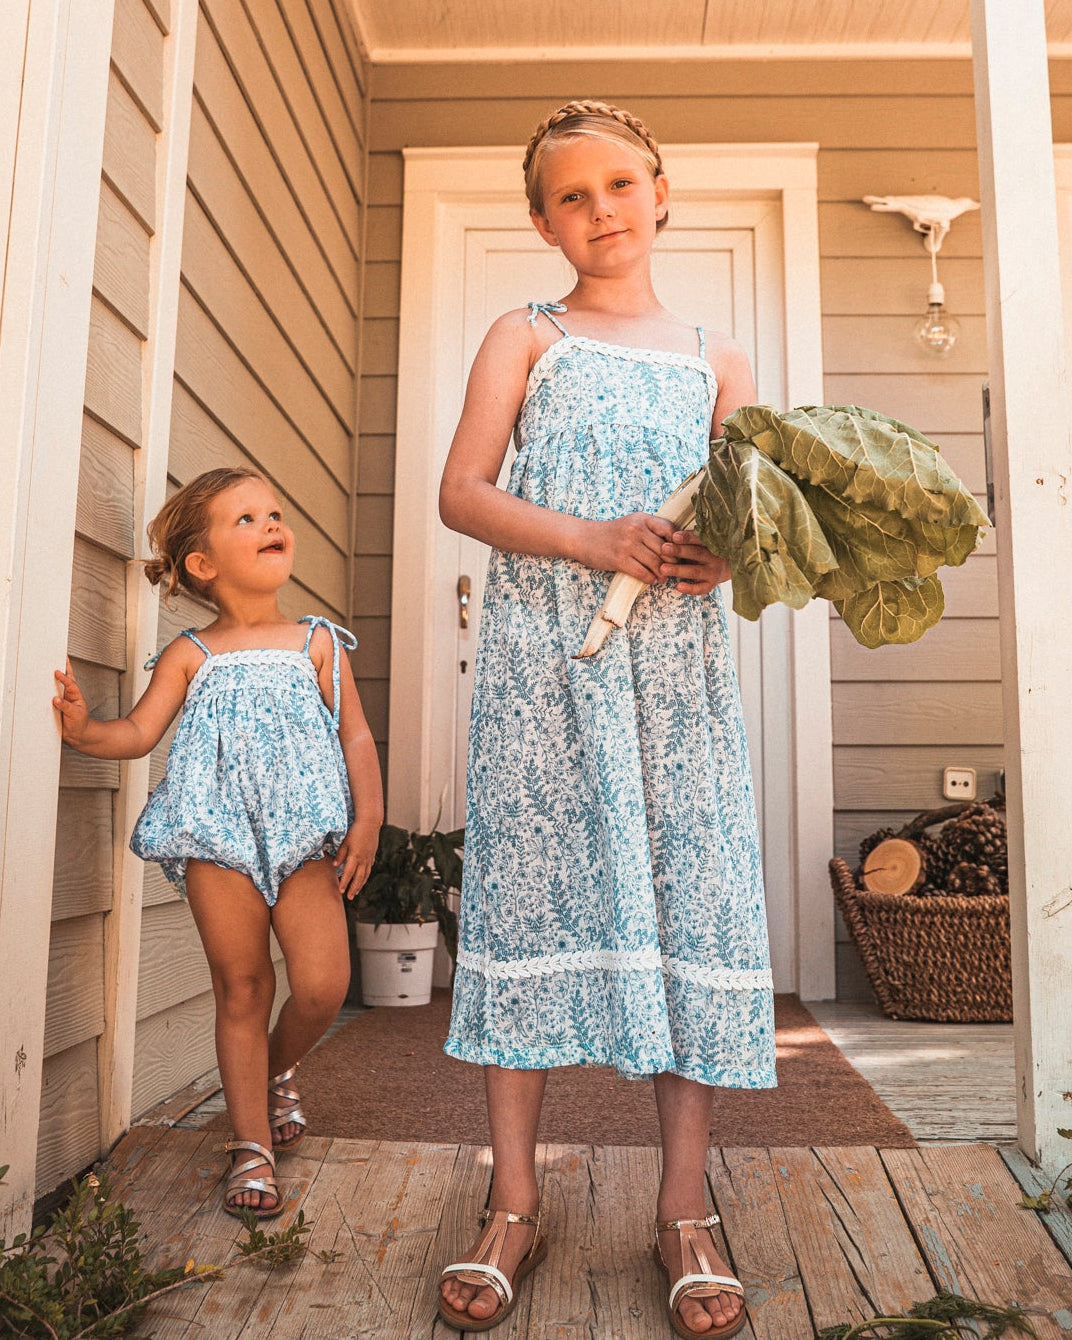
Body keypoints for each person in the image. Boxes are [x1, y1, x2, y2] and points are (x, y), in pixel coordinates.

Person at [436, 101, 776, 1338]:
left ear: (662, 192)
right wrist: (589, 537)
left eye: (620, 184)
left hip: (674, 678)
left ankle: (683, 1203)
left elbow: (748, 520)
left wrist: (721, 561)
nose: (600, 211)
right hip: (545, 666)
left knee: (689, 896)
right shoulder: (525, 335)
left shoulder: (717, 358)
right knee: (531, 899)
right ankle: (513, 1198)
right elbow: (460, 492)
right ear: (541, 221)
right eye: (570, 196)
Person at [53, 467, 383, 1219]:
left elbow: (355, 734)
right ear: (201, 564)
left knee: (324, 984)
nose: (271, 523)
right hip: (217, 838)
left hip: (304, 839)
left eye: (274, 510)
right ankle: (249, 1144)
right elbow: (138, 733)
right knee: (242, 988)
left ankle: (270, 1073)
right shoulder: (190, 655)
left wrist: (369, 817)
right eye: (245, 519)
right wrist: (83, 730)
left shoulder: (318, 642)